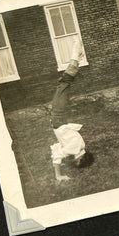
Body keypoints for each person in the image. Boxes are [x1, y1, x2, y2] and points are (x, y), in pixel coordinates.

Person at [49, 37, 92, 180]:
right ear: (80, 159)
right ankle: (76, 51)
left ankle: (77, 55)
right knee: (65, 82)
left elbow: (57, 147)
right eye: (77, 163)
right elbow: (58, 154)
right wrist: (58, 175)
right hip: (58, 117)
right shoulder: (75, 148)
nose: (74, 162)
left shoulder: (80, 147)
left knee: (64, 83)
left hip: (60, 118)